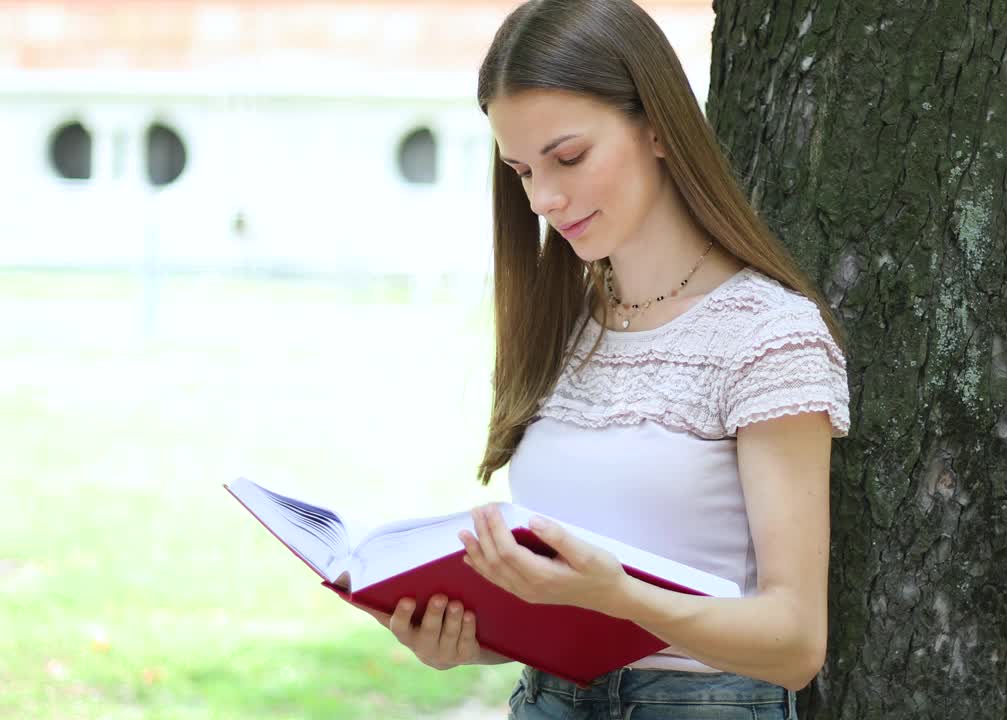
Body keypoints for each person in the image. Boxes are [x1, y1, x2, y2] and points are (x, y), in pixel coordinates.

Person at [360, 0, 850, 717]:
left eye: (569, 157)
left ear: (656, 125)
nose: (546, 199)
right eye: (522, 171)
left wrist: (618, 595)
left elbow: (796, 642)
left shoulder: (768, 335)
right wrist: (470, 637)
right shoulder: (565, 327)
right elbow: (565, 608)